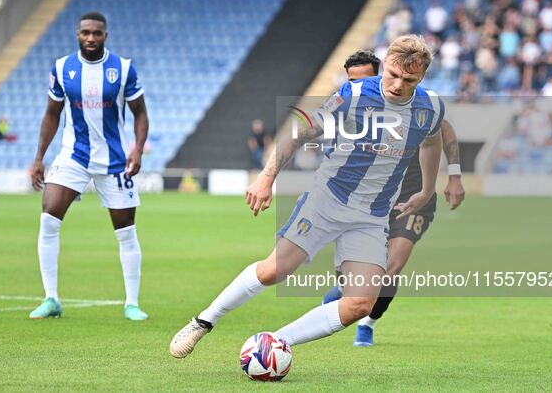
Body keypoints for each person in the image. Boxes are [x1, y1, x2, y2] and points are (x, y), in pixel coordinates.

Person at [169, 35, 444, 358]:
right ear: (385, 65)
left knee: (360, 304)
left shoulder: (431, 107)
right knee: (274, 271)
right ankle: (203, 321)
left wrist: (426, 189)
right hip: (327, 201)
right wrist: (267, 177)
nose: (397, 84)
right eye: (393, 74)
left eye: (408, 80)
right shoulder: (353, 94)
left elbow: (431, 142)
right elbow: (303, 130)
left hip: (371, 218)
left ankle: (276, 342)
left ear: (421, 78)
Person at [321, 50, 466, 347]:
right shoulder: (349, 106)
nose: (355, 87)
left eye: (363, 79)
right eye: (350, 81)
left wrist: (454, 175)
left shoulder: (417, 103)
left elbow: (444, 130)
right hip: (366, 198)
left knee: (392, 266)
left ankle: (368, 323)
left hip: (411, 196)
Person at [29, 12, 149, 321]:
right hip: (73, 156)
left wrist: (137, 149)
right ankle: (51, 298)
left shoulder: (122, 69)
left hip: (114, 161)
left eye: (97, 33)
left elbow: (140, 113)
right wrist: (39, 156)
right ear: (77, 34)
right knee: (48, 220)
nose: (91, 38)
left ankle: (132, 303)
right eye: (85, 33)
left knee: (126, 232)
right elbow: (52, 113)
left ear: (105, 36)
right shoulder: (62, 68)